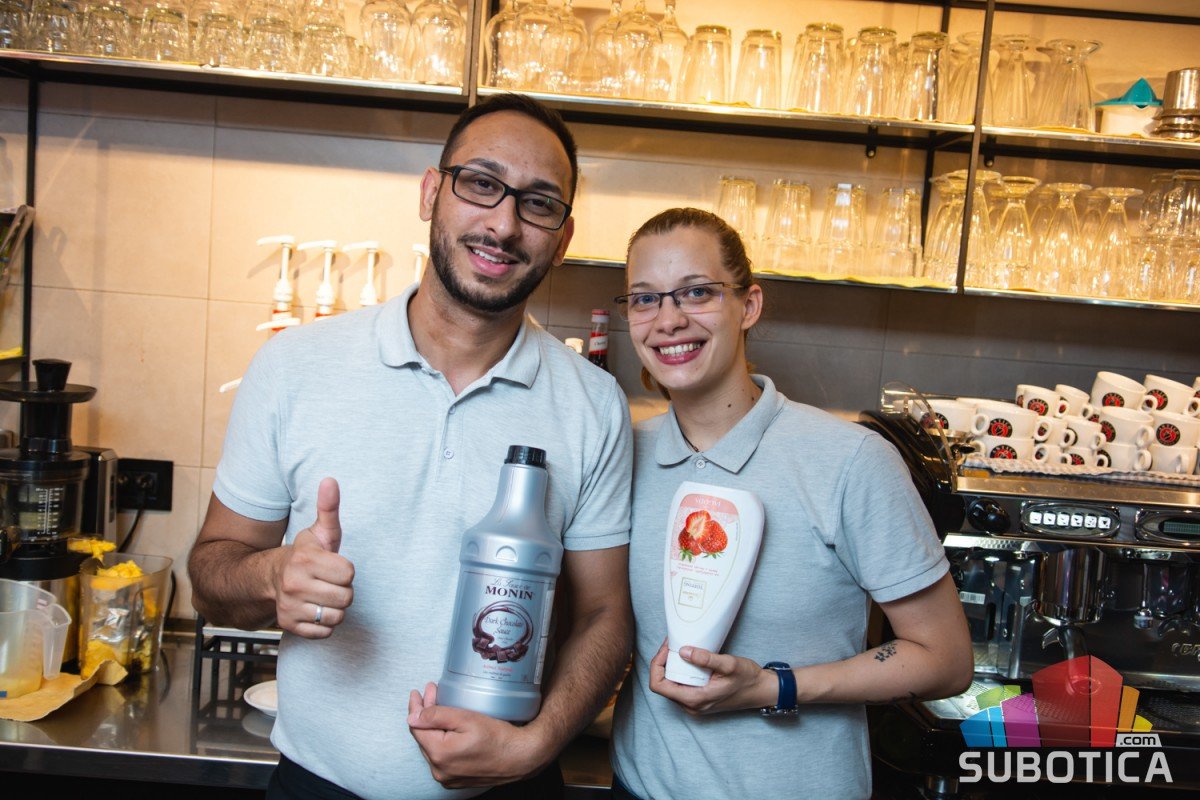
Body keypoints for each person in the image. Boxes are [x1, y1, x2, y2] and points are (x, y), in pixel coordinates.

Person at [187, 93, 634, 800]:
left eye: (539, 204)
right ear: (431, 193)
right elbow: (211, 574)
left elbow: (605, 615)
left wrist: (540, 743)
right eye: (481, 183)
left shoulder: (594, 404)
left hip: (514, 787)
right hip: (320, 786)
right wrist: (272, 577)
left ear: (564, 236)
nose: (504, 224)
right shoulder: (295, 366)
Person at [608, 208, 973, 800]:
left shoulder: (849, 461)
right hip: (641, 788)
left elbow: (945, 660)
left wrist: (772, 687)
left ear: (748, 305)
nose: (669, 320)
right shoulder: (623, 457)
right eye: (645, 299)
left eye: (697, 292)